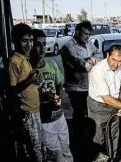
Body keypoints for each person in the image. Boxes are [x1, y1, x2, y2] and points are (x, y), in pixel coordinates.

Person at [30, 29, 73, 162]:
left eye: (44, 44)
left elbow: (59, 84)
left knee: (66, 149)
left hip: (59, 116)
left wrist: (58, 97)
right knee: (55, 154)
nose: (43, 48)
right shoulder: (28, 69)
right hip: (44, 120)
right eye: (38, 44)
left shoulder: (51, 64)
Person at [87, 45, 121, 156]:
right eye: (114, 60)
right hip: (98, 106)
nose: (116, 64)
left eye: (120, 61)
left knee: (113, 134)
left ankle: (112, 157)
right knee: (98, 137)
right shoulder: (98, 70)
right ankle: (99, 158)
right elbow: (106, 98)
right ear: (107, 55)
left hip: (114, 104)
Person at [8, 23, 45, 161]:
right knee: (32, 151)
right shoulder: (14, 61)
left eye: (31, 40)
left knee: (39, 147)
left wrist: (35, 79)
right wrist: (30, 80)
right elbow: (12, 90)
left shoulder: (25, 58)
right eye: (24, 41)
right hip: (26, 113)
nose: (29, 44)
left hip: (34, 110)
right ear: (15, 42)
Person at [61, 20, 97, 161]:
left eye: (89, 34)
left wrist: (92, 59)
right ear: (77, 32)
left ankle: (84, 139)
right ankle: (76, 143)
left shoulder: (88, 43)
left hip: (88, 85)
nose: (87, 37)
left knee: (86, 112)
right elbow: (83, 65)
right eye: (85, 34)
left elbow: (97, 55)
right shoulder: (68, 47)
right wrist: (90, 61)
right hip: (75, 87)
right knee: (78, 113)